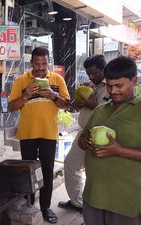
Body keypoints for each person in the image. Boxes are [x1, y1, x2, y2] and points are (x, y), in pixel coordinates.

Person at [78, 56, 141, 225]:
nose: (113, 91)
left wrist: (119, 150)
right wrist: (85, 141)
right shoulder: (100, 110)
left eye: (119, 86)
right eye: (109, 86)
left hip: (124, 201)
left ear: (134, 81)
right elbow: (81, 140)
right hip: (94, 196)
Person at [8, 47, 70, 224]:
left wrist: (53, 95)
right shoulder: (21, 80)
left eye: (44, 64)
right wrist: (26, 95)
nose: (41, 68)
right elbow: (12, 107)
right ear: (31, 63)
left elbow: (66, 105)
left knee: (47, 172)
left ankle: (45, 207)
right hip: (27, 134)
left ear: (48, 62)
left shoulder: (57, 79)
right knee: (28, 171)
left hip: (49, 134)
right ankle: (30, 202)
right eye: (37, 64)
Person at [58, 55, 109, 212]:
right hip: (84, 132)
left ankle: (92, 206)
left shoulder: (110, 86)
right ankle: (78, 202)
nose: (91, 77)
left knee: (94, 172)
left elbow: (107, 111)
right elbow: (85, 108)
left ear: (103, 70)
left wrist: (91, 102)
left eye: (94, 73)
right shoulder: (93, 86)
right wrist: (81, 101)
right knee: (72, 165)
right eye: (88, 74)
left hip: (100, 136)